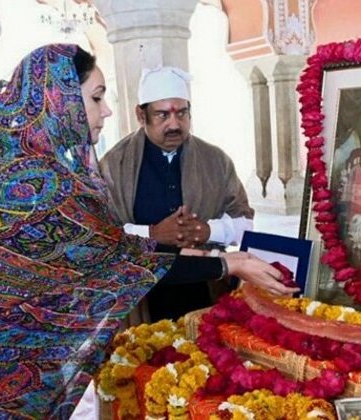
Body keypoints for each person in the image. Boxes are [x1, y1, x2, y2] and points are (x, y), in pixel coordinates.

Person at [0, 44, 297, 419]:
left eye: (181, 112)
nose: (106, 111)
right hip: (7, 374)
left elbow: (113, 252)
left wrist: (215, 245)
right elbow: (116, 256)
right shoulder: (46, 187)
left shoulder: (38, 170)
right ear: (59, 100)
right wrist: (224, 262)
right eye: (96, 98)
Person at [99, 66, 253, 321]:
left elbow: (245, 224)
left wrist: (207, 231)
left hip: (206, 289)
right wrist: (152, 234)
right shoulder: (114, 165)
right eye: (162, 115)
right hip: (143, 296)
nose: (174, 124)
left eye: (182, 113)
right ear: (141, 114)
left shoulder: (216, 160)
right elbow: (101, 236)